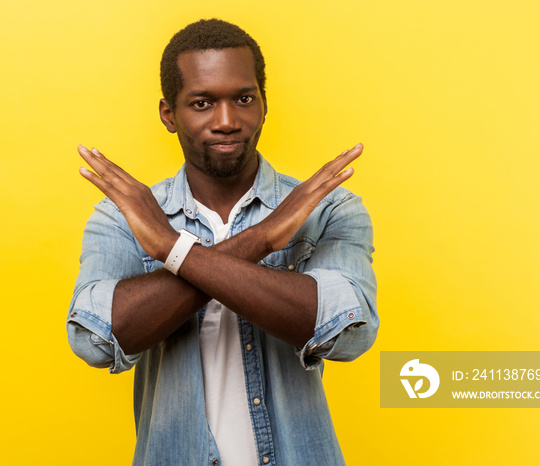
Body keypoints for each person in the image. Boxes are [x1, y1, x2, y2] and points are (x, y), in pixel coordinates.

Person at [67, 19, 378, 466]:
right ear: (169, 114)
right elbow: (95, 342)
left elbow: (348, 332)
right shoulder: (125, 215)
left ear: (264, 106)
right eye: (202, 102)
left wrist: (171, 251)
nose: (228, 121)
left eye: (244, 99)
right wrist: (264, 239)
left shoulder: (325, 208)